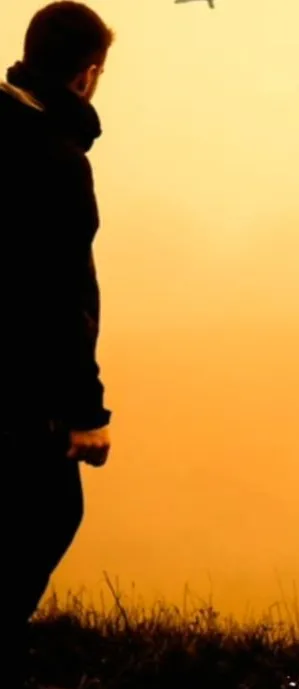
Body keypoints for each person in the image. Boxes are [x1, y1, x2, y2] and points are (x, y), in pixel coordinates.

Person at [0, 2, 114, 623]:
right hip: (20, 394)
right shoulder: (55, 161)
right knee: (49, 515)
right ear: (85, 76)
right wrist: (86, 416)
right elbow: (66, 294)